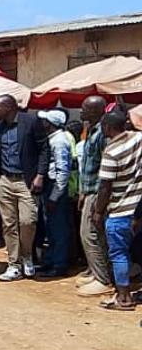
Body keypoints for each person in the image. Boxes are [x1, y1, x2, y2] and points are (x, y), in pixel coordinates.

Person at [0, 94, 49, 282]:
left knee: (28, 221)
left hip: (26, 181)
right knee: (8, 224)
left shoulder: (31, 121)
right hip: (5, 180)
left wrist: (40, 174)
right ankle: (14, 264)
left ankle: (27, 256)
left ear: (8, 107)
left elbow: (44, 149)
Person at [93, 109, 142, 310]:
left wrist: (98, 211)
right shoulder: (139, 139)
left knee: (119, 254)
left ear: (108, 127)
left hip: (120, 210)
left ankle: (123, 297)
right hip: (139, 208)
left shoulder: (111, 152)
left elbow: (105, 187)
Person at [76, 96, 114, 296]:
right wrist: (83, 192)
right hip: (89, 189)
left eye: (85, 109)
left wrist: (100, 200)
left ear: (96, 111)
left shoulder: (103, 133)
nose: (81, 112)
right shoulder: (91, 130)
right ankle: (96, 271)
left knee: (89, 234)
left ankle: (102, 279)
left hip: (98, 192)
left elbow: (105, 170)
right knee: (92, 234)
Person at [36, 110, 73, 277]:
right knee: (50, 226)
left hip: (55, 189)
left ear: (50, 124)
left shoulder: (59, 141)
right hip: (49, 188)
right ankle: (50, 260)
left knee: (58, 228)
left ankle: (59, 264)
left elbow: (62, 171)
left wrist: (54, 197)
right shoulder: (51, 139)